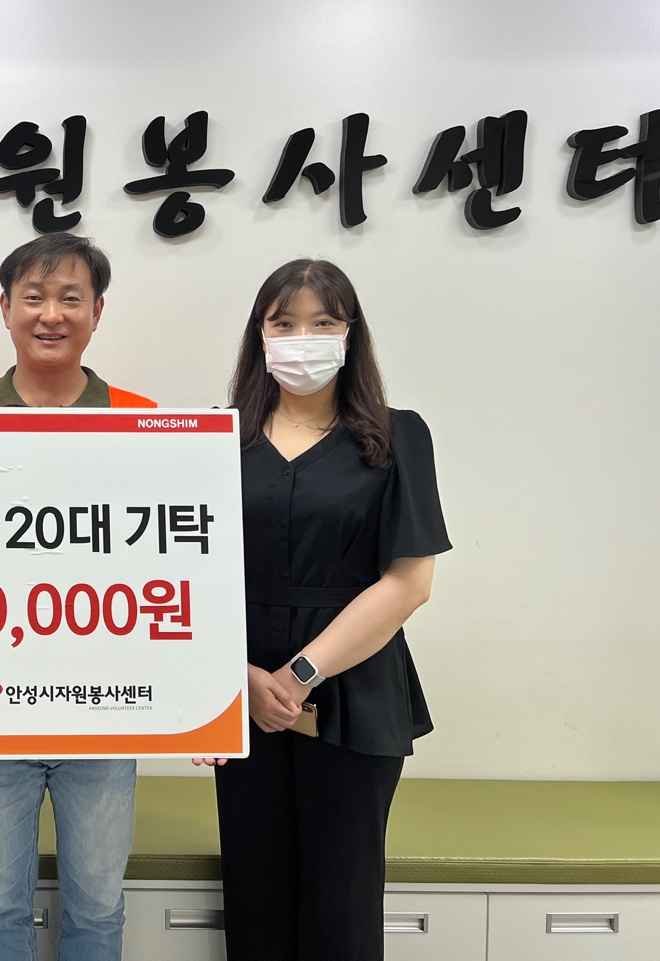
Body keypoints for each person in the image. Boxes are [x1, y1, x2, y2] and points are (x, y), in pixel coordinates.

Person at [195, 257, 451, 961]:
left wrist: (299, 674)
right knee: (256, 899)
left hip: (353, 694)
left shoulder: (398, 436)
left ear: (350, 333)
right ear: (260, 334)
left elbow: (409, 583)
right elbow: (185, 578)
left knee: (342, 907)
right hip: (242, 694)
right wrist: (241, 678)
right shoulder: (214, 437)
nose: (302, 338)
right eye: (284, 323)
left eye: (323, 322)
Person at [0, 233, 153, 961]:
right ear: (6, 308)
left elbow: (179, 569)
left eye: (70, 298)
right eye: (33, 297)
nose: (51, 314)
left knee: (98, 905)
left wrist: (195, 708)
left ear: (98, 310)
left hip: (104, 708)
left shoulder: (142, 420)